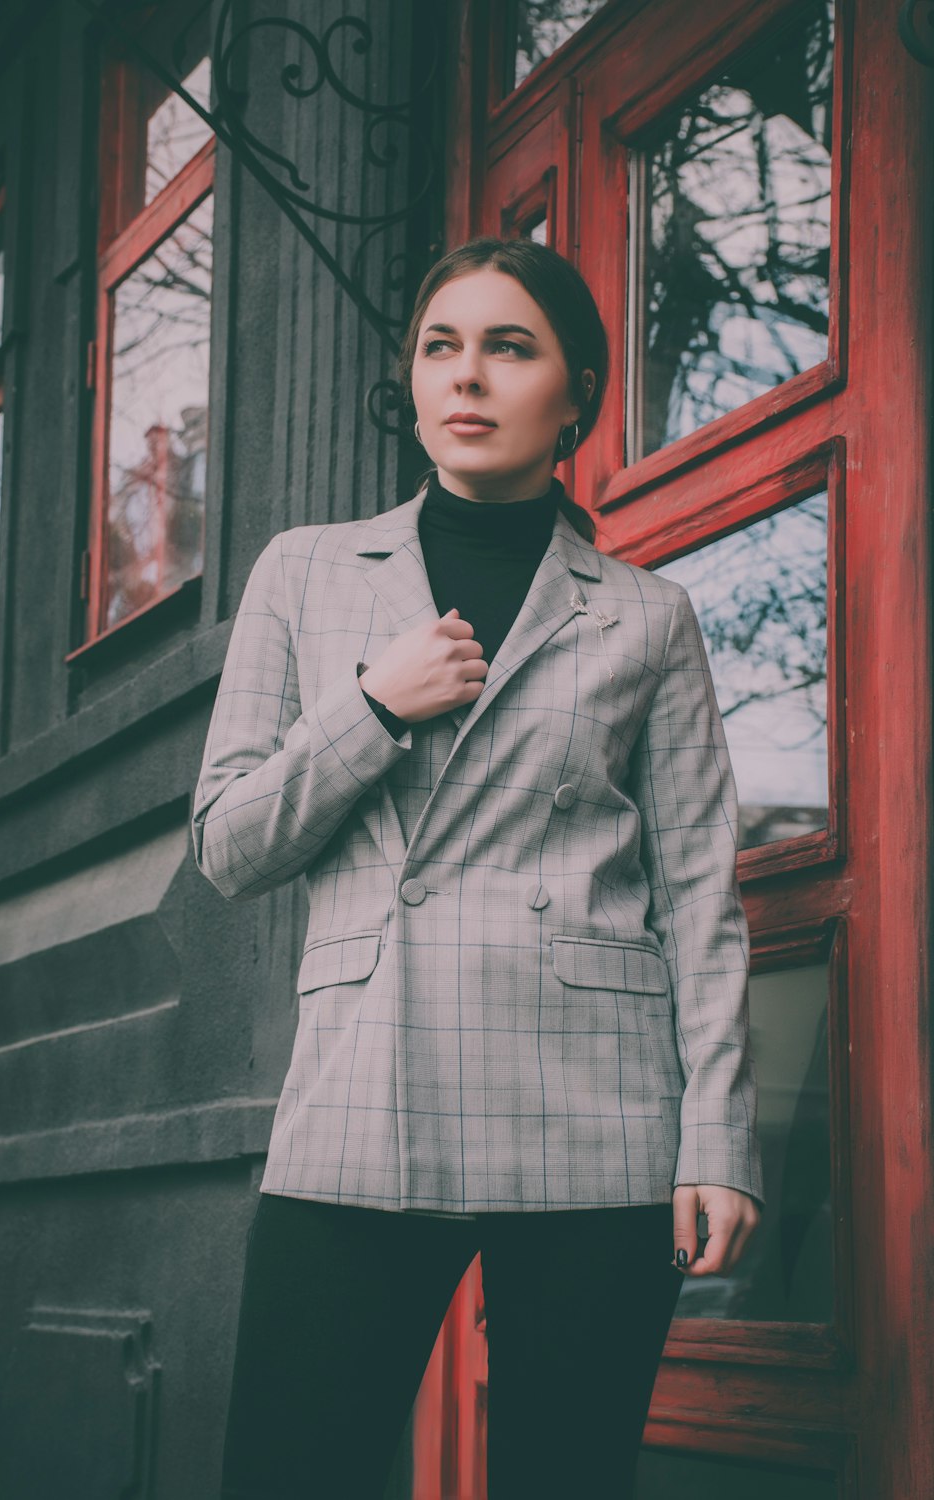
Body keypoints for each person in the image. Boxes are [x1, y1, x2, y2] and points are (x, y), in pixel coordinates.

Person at [192, 236, 764, 1500]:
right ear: (410, 383)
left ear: (574, 397)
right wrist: (371, 710)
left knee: (566, 1476)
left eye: (511, 348)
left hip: (596, 1112)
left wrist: (716, 1132)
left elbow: (696, 897)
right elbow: (228, 847)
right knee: (291, 1470)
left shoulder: (643, 614)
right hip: (362, 1089)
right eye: (442, 347)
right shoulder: (304, 571)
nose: (469, 377)